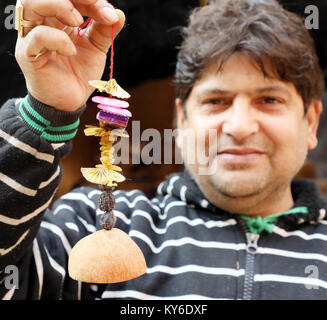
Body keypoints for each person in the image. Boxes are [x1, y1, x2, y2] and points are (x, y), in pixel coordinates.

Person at [0, 0, 326, 300]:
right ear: (182, 120)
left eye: (269, 100)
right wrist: (44, 114)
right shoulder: (97, 226)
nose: (239, 126)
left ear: (310, 122)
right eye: (216, 101)